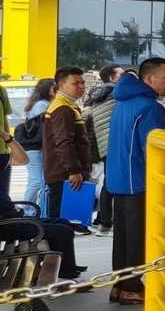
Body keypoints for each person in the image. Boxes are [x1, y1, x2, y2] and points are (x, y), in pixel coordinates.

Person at [104, 59, 165, 305]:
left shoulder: (122, 103)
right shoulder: (150, 107)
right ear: (149, 79)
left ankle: (120, 286)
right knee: (138, 238)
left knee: (122, 238)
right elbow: (154, 150)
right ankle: (132, 288)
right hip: (139, 181)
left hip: (119, 180)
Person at [41, 67, 92, 224]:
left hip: (63, 174)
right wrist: (74, 170)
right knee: (61, 225)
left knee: (66, 224)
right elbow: (64, 142)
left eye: (82, 82)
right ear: (61, 85)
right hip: (65, 176)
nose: (81, 86)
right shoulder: (63, 109)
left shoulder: (66, 105)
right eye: (75, 83)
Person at [87, 63, 126, 234]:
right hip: (115, 144)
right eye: (122, 75)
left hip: (104, 145)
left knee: (108, 183)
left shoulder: (100, 96)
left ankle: (102, 221)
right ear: (112, 78)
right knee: (112, 184)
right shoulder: (116, 93)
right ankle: (106, 223)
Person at [15, 78, 53, 208]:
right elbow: (44, 127)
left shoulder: (37, 103)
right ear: (47, 90)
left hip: (32, 147)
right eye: (54, 87)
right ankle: (25, 209)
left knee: (36, 180)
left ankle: (31, 210)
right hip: (35, 147)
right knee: (37, 180)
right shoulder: (42, 105)